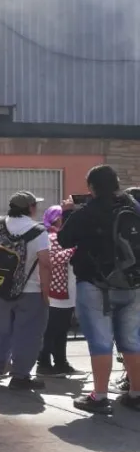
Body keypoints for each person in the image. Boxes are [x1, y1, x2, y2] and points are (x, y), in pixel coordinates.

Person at [58, 165, 140, 414]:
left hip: (96, 284)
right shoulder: (133, 208)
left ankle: (100, 396)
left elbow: (64, 240)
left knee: (101, 342)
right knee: (132, 341)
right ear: (116, 183)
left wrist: (68, 213)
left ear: (91, 187)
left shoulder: (87, 211)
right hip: (133, 283)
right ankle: (136, 394)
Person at [0, 191, 52, 390]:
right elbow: (45, 263)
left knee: (1, 333)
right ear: (30, 208)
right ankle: (20, 376)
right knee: (28, 335)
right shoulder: (38, 231)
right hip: (31, 291)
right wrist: (46, 292)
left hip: (1, 288)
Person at [36, 205, 79, 376]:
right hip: (56, 293)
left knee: (62, 329)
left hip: (66, 292)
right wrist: (74, 250)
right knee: (52, 330)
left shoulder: (65, 237)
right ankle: (44, 363)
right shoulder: (52, 238)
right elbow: (52, 259)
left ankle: (61, 363)